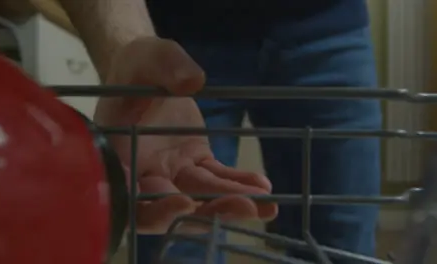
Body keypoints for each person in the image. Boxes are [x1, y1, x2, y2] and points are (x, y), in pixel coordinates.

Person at [43, 0, 384, 263]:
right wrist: (128, 45)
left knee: (341, 247)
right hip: (173, 41)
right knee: (178, 240)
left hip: (328, 25)